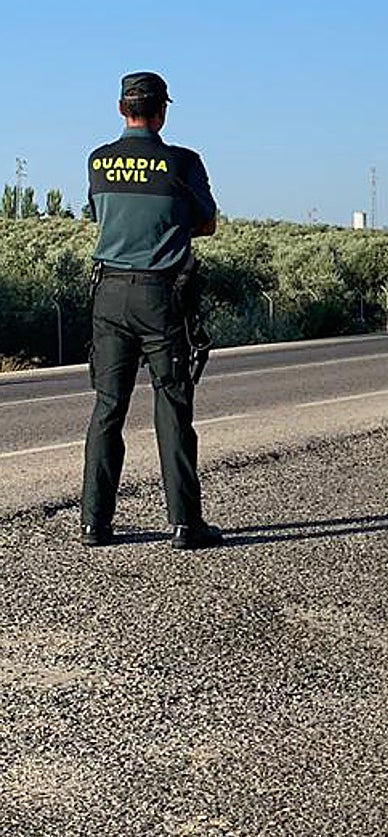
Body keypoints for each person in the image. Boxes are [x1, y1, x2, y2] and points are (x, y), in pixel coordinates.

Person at [80, 71, 222, 550]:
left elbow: (99, 215)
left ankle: (94, 523)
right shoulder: (182, 163)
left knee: (107, 408)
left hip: (109, 295)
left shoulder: (98, 162)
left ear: (122, 109)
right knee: (173, 407)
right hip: (162, 297)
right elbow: (207, 223)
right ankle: (185, 524)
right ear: (161, 111)